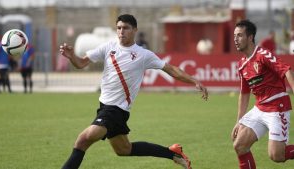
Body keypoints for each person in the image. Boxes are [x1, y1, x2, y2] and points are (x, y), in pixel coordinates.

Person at [60, 14, 208, 169]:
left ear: (135, 30)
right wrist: (72, 57)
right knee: (124, 150)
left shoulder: (143, 55)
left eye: (125, 28)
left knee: (83, 140)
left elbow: (171, 70)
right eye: (118, 28)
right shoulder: (108, 47)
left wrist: (194, 80)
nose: (121, 32)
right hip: (104, 107)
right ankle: (173, 153)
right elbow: (81, 63)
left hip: (115, 111)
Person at [231, 20, 294, 169]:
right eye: (235, 36)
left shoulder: (263, 55)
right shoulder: (242, 64)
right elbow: (244, 92)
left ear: (250, 37)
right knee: (239, 145)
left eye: (239, 36)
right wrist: (239, 120)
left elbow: (287, 71)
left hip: (277, 106)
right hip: (260, 108)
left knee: (276, 156)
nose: (236, 39)